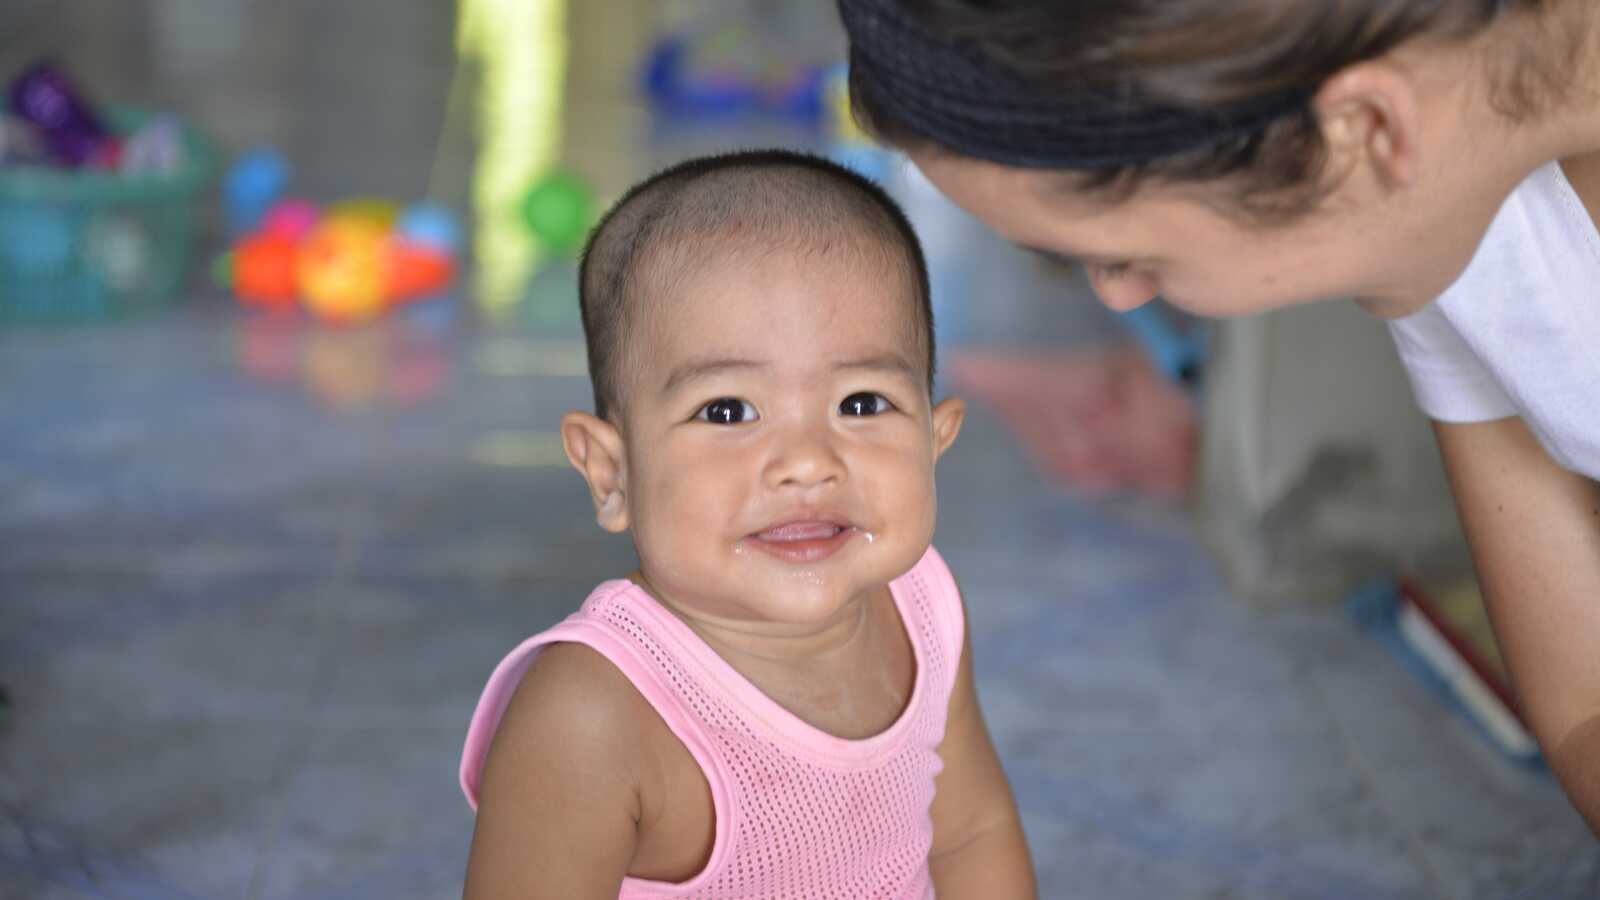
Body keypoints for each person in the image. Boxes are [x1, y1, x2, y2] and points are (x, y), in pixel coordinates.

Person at [835, 0, 1600, 834]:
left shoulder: (1432, 180)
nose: (1120, 293)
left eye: (1127, 256)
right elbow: (1581, 705)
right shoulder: (1453, 221)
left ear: (1367, 128)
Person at [458, 150, 1037, 898]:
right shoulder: (593, 713)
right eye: (727, 411)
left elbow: (970, 833)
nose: (805, 462)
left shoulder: (924, 605)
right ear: (612, 473)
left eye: (860, 403)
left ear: (935, 439)